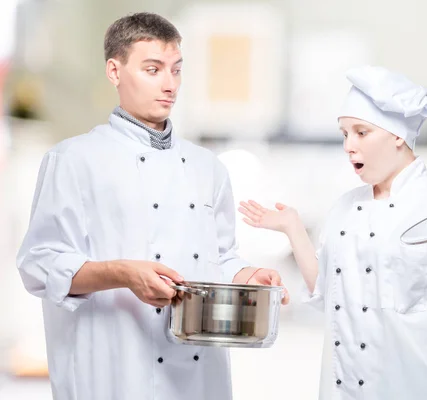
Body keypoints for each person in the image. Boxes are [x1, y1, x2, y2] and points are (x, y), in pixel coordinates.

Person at [16, 12, 288, 400]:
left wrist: (247, 277)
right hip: (115, 367)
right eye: (152, 69)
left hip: (197, 372)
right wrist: (123, 273)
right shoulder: (75, 159)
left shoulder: (207, 167)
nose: (169, 84)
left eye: (176, 70)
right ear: (115, 70)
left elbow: (219, 257)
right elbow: (40, 265)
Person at [238, 66, 427, 399]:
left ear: (397, 135)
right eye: (344, 133)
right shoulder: (344, 209)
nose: (348, 145)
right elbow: (329, 294)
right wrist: (293, 228)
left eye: (361, 132)